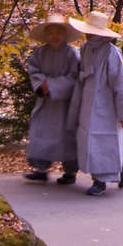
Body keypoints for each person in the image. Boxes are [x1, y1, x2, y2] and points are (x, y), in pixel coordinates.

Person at [65, 10, 123, 197]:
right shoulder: (86, 48)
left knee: (104, 141)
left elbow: (121, 84)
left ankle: (101, 180)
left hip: (107, 105)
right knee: (88, 139)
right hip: (88, 102)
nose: (89, 34)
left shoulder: (112, 53)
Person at [23, 12, 82, 185]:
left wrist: (55, 85)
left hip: (65, 104)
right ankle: (41, 168)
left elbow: (75, 76)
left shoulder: (72, 53)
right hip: (46, 102)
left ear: (64, 34)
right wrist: (42, 85)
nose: (54, 36)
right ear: (45, 35)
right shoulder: (39, 53)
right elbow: (34, 71)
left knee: (67, 137)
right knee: (41, 132)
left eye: (58, 32)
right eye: (50, 33)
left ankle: (70, 172)